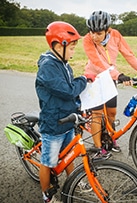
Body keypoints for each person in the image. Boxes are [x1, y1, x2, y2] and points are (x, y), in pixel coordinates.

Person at [35, 21, 91, 203]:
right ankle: (46, 195)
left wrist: (80, 111)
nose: (74, 52)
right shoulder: (48, 67)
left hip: (66, 120)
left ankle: (74, 181)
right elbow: (67, 90)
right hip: (53, 124)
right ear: (59, 45)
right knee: (49, 162)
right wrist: (83, 79)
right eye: (72, 48)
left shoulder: (64, 63)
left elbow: (70, 92)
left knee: (68, 156)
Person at [83, 11, 137, 158]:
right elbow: (97, 62)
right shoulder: (87, 40)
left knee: (112, 112)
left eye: (98, 33)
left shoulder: (116, 35)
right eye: (92, 32)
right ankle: (98, 148)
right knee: (97, 115)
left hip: (110, 77)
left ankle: (109, 138)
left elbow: (128, 54)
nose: (94, 36)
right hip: (94, 78)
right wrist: (118, 75)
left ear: (108, 30)